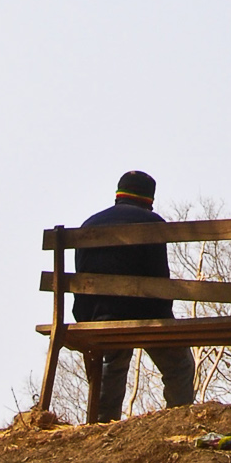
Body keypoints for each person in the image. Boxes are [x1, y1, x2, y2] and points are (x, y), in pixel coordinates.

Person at [74, 170, 195, 420]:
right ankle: (179, 419)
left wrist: (87, 319)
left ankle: (101, 426)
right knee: (179, 365)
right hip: (146, 318)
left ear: (118, 194)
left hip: (100, 318)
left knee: (111, 362)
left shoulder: (89, 225)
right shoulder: (153, 225)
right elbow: (160, 280)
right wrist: (165, 322)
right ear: (149, 200)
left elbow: (81, 282)